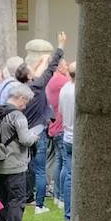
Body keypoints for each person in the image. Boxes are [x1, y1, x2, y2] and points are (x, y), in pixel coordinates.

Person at [0, 81, 42, 221]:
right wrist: (35, 136)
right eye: (25, 101)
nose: (25, 106)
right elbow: (25, 139)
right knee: (17, 198)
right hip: (15, 163)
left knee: (2, 197)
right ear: (20, 98)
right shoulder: (17, 116)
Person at [23, 32, 66, 213]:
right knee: (40, 169)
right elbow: (51, 68)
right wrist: (60, 46)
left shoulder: (21, 89)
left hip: (26, 132)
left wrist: (39, 63)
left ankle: (28, 197)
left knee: (29, 167)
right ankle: (39, 205)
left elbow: (39, 72)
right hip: (39, 131)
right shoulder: (39, 86)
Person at [45, 49, 71, 207]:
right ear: (59, 67)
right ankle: (61, 196)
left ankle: (56, 194)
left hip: (54, 126)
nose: (67, 67)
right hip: (61, 127)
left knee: (58, 161)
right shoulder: (62, 81)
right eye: (65, 65)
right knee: (65, 164)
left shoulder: (51, 80)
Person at [56, 65, 76, 221]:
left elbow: (61, 112)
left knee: (69, 175)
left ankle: (68, 214)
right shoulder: (80, 90)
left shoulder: (64, 89)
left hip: (67, 135)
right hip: (78, 137)